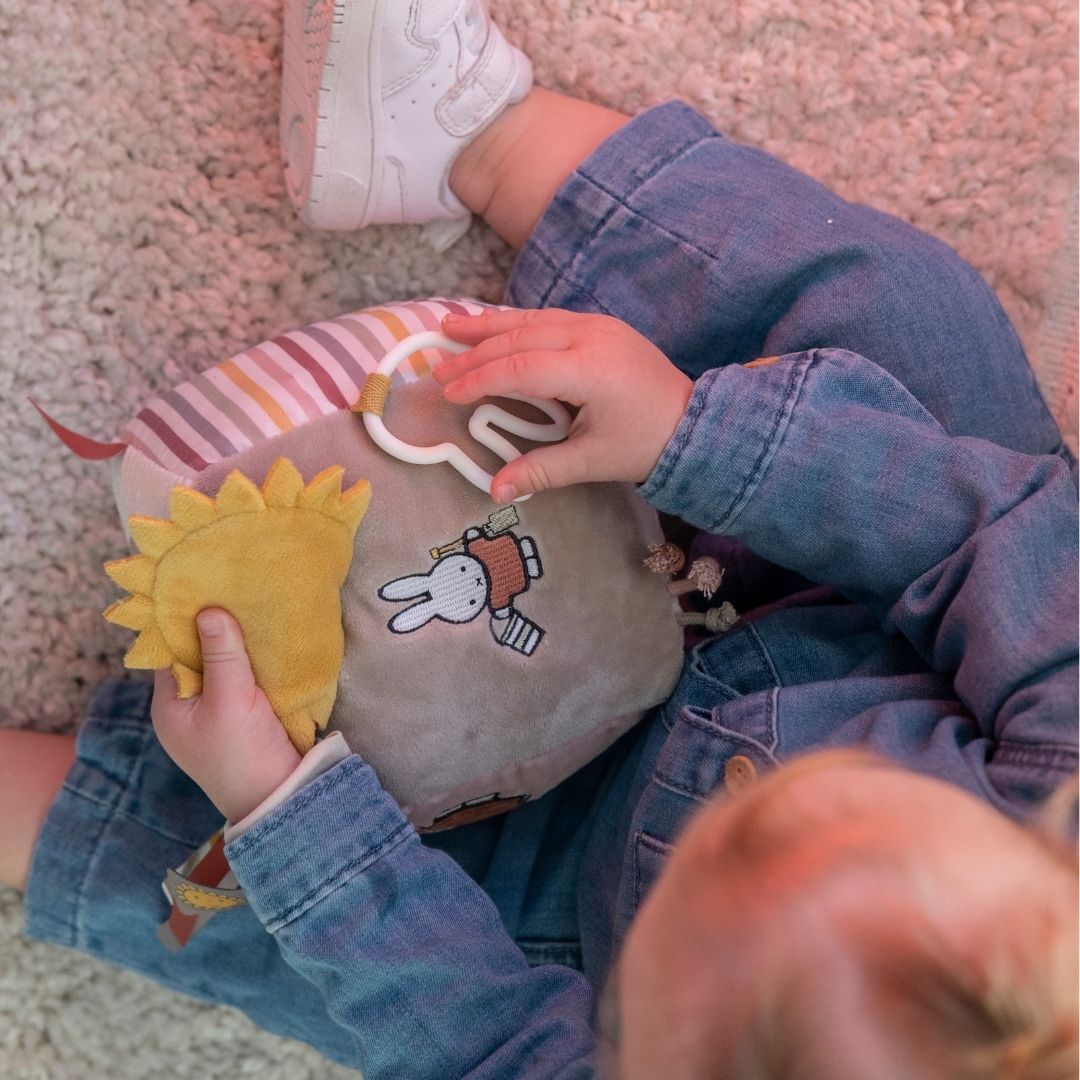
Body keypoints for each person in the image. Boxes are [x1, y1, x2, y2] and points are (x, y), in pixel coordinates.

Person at [3, 0, 1077, 1075]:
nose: (741, 835)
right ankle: (482, 136)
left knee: (276, 911)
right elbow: (991, 537)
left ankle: (43, 801)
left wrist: (281, 810)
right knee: (911, 322)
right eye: (826, 844)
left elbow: (483, 1035)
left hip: (570, 904)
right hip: (855, 605)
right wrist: (692, 432)